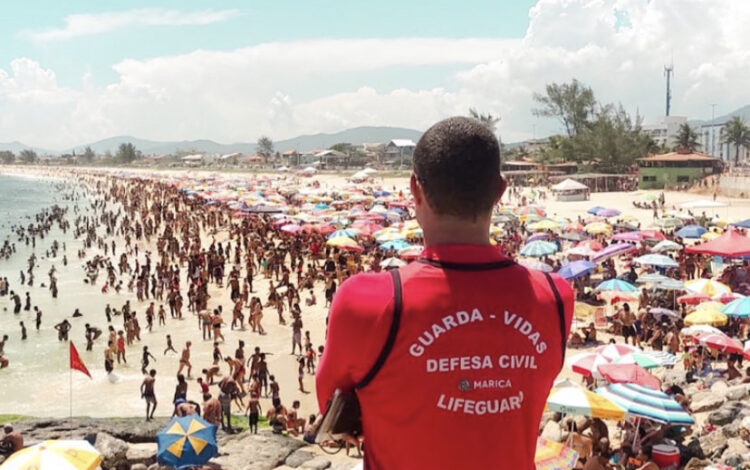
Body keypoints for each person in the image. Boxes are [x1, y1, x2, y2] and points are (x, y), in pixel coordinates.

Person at [316, 117, 573, 470]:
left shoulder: (367, 300)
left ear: (414, 190)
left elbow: (331, 406)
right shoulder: (555, 298)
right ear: (500, 190)